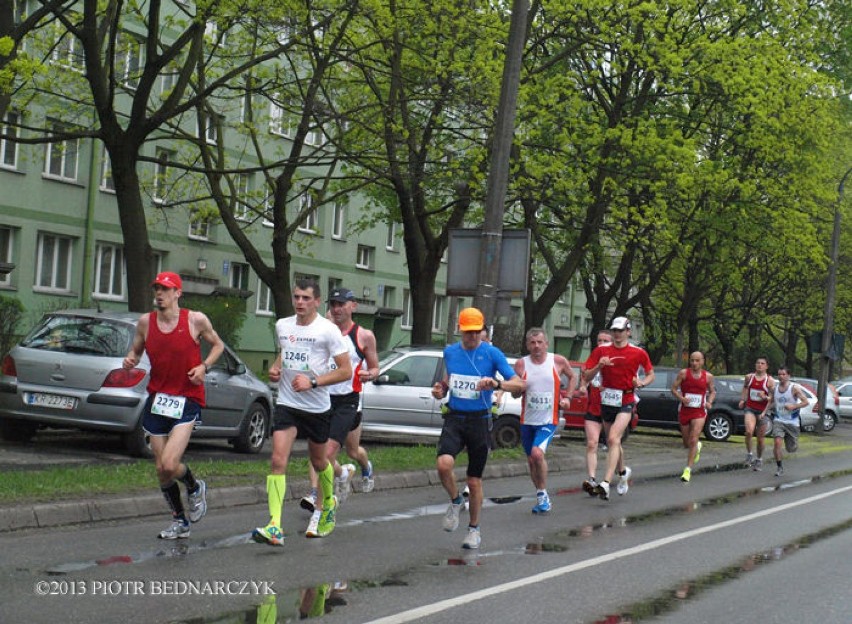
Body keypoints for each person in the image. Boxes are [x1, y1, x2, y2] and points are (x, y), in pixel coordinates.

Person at [123, 271, 224, 539]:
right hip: (158, 398)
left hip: (187, 398)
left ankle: (194, 486)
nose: (160, 294)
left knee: (169, 464)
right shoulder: (146, 322)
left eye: (166, 289)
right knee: (161, 469)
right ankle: (180, 521)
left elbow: (218, 345)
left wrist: (204, 366)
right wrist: (131, 359)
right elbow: (136, 349)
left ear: (177, 293)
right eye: (157, 288)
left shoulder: (195, 320)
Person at [251, 279, 352, 545]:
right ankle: (274, 525)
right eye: (296, 297)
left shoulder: (328, 330)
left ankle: (327, 504)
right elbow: (286, 354)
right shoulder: (282, 325)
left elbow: (345, 371)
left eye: (306, 298)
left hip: (317, 406)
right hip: (287, 403)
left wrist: (314, 382)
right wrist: (276, 368)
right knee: (277, 460)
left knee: (320, 463)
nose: (300, 302)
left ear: (317, 301)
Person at [430, 307, 525, 549]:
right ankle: (454, 501)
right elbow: (449, 381)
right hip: (454, 417)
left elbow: (519, 384)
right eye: (467, 332)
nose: (472, 337)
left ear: (483, 331)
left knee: (473, 481)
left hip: (480, 421)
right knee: (443, 464)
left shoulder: (492, 353)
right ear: (460, 331)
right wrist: (441, 388)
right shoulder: (450, 352)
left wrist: (496, 383)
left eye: (476, 332)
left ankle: (473, 530)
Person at [300, 287, 380, 514]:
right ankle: (319, 490)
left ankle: (362, 467)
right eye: (333, 304)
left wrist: (370, 374)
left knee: (353, 451)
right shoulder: (324, 332)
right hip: (323, 397)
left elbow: (375, 367)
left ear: (352, 306)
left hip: (348, 402)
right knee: (319, 451)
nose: (336, 309)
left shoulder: (363, 336)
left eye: (341, 304)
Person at [582, 316, 654, 500]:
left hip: (626, 398)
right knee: (613, 442)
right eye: (614, 331)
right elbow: (587, 376)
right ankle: (622, 473)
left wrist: (642, 382)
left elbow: (650, 373)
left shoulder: (638, 352)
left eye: (621, 331)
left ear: (628, 331)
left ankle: (605, 483)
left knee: (613, 438)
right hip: (607, 401)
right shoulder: (601, 351)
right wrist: (599, 365)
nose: (617, 334)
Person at [514, 327, 576, 513]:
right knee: (531, 460)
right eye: (532, 343)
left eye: (540, 342)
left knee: (537, 454)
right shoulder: (521, 364)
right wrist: (517, 390)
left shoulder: (557, 361)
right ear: (527, 345)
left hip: (549, 419)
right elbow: (516, 392)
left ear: (546, 344)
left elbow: (572, 377)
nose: (536, 346)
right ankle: (542, 494)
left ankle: (542, 495)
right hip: (527, 420)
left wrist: (568, 398)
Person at [577, 329, 626, 495]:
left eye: (605, 340)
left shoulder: (619, 360)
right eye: (599, 340)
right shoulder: (592, 360)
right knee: (592, 443)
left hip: (613, 409)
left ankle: (622, 472)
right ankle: (591, 480)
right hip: (594, 409)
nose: (602, 343)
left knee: (614, 442)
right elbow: (584, 380)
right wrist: (583, 387)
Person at [671, 351, 716, 482]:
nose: (694, 363)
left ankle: (687, 470)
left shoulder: (708, 376)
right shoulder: (684, 373)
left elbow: (713, 391)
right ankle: (697, 446)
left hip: (699, 411)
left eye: (697, 360)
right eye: (692, 360)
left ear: (703, 361)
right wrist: (681, 398)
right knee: (687, 443)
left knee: (693, 438)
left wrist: (709, 402)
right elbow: (673, 389)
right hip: (685, 410)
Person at [766, 366, 808, 477]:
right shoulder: (775, 389)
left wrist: (793, 406)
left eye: (784, 374)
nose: (781, 376)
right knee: (777, 443)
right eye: (779, 374)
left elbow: (805, 402)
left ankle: (792, 442)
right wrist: (763, 412)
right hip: (779, 420)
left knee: (791, 449)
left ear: (788, 375)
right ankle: (779, 467)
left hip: (792, 422)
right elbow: (771, 402)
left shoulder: (794, 388)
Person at [738, 356, 775, 470]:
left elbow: (773, 399)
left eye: (762, 363)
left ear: (766, 366)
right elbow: (745, 388)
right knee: (749, 432)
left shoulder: (769, 380)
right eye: (758, 363)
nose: (759, 365)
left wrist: (765, 397)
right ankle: (749, 454)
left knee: (760, 438)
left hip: (762, 412)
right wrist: (743, 399)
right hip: (750, 408)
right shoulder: (749, 377)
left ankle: (759, 459)